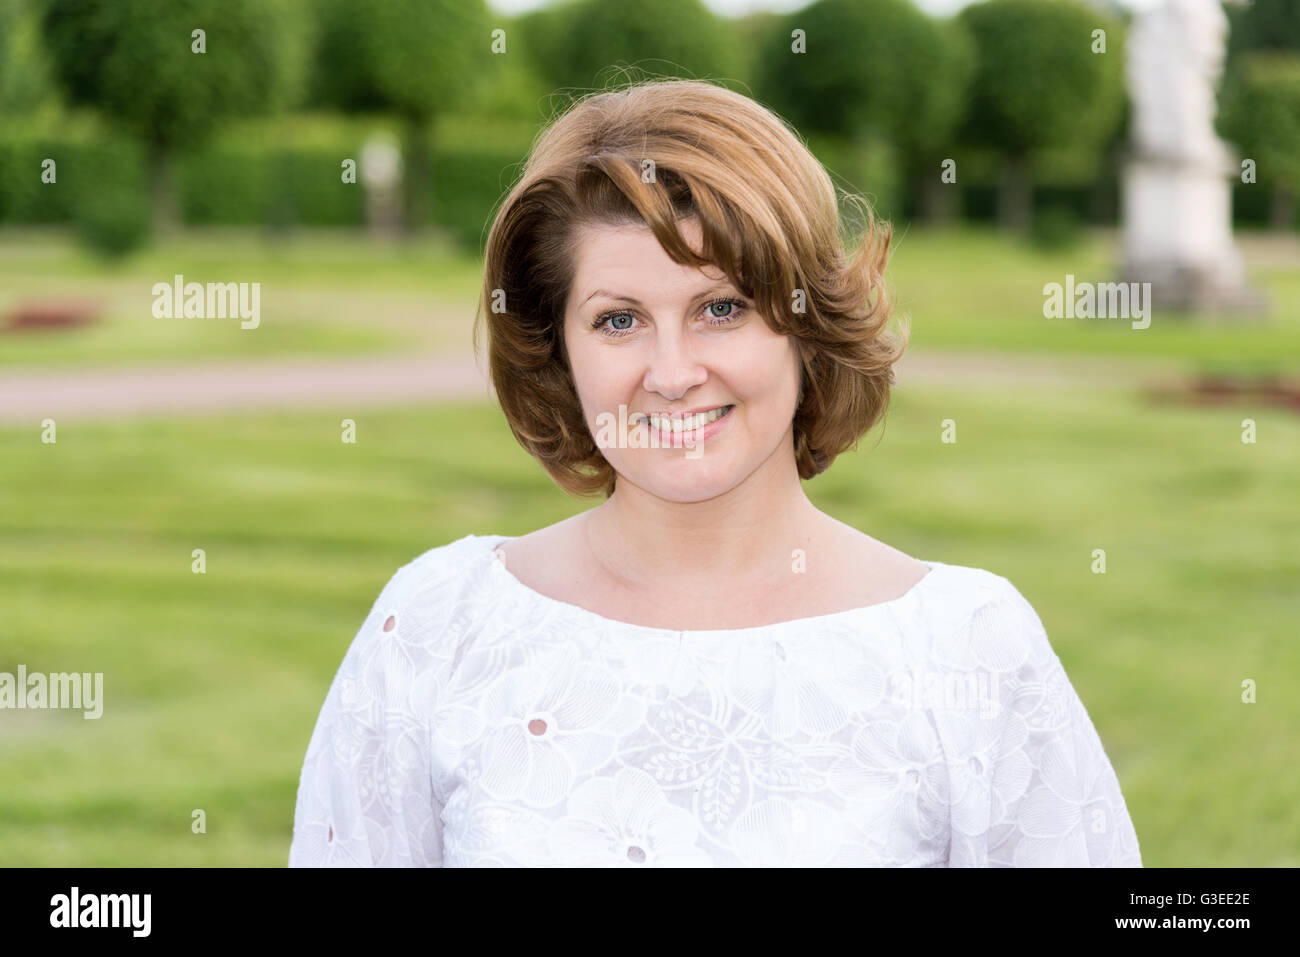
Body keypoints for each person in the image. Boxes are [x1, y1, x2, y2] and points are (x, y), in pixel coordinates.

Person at [289, 78, 1142, 867]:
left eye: (721, 309)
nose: (671, 371)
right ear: (559, 353)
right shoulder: (435, 629)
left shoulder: (971, 648)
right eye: (619, 319)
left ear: (808, 327)